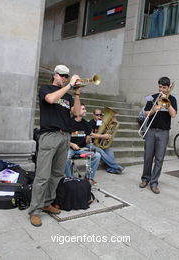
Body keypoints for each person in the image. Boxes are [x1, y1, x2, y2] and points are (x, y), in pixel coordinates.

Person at [29, 65, 82, 227]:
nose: (65, 78)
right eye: (63, 76)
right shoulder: (46, 89)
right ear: (55, 75)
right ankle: (35, 210)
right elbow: (50, 100)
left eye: (67, 76)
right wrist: (69, 86)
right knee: (42, 175)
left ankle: (47, 202)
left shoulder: (68, 95)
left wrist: (77, 93)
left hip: (65, 135)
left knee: (57, 174)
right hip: (49, 135)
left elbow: (77, 113)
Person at [139, 77, 177, 194]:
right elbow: (145, 113)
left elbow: (174, 114)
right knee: (148, 156)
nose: (161, 89)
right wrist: (155, 108)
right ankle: (145, 179)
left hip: (164, 132)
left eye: (164, 87)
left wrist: (167, 102)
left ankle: (154, 183)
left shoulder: (173, 99)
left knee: (159, 159)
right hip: (151, 130)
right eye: (160, 87)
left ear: (168, 87)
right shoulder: (152, 97)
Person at [66, 104, 101, 184]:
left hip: (81, 149)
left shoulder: (86, 124)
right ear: (77, 111)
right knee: (66, 158)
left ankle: (88, 177)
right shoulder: (68, 122)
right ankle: (69, 178)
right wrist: (71, 144)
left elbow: (87, 141)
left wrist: (88, 139)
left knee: (97, 155)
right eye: (83, 109)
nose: (85, 110)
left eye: (85, 109)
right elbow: (63, 138)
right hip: (69, 148)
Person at [88, 108, 124, 174]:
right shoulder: (90, 123)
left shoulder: (100, 122)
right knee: (101, 151)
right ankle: (116, 167)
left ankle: (110, 169)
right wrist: (102, 136)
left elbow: (106, 131)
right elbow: (90, 135)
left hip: (99, 143)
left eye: (100, 115)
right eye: (97, 115)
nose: (99, 116)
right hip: (92, 143)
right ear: (93, 115)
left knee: (110, 152)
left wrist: (112, 123)